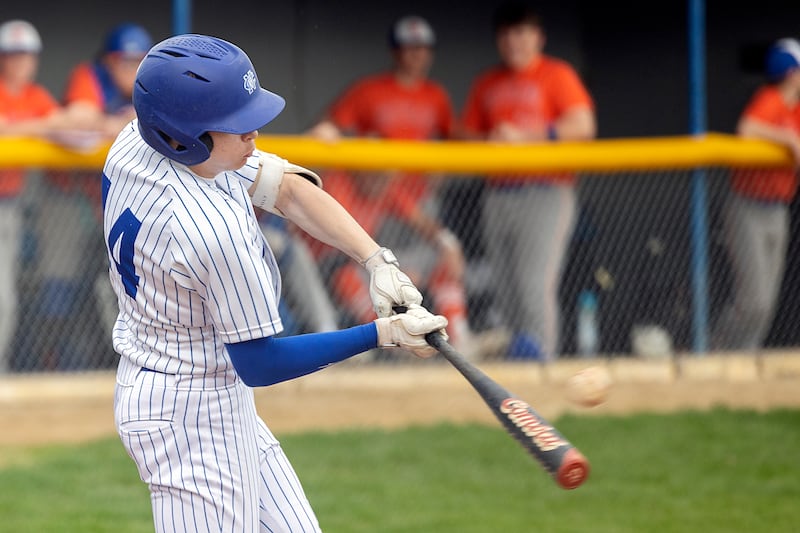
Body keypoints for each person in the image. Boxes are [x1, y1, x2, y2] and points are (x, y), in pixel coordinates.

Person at [103, 34, 447, 532]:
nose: (254, 136)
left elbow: (286, 189)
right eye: (236, 126)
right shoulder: (207, 232)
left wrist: (377, 260)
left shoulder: (139, 139)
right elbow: (260, 363)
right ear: (183, 134)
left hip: (198, 387)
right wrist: (382, 334)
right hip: (187, 421)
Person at [308, 15, 508, 359]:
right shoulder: (342, 181)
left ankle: (461, 342)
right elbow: (329, 128)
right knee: (350, 277)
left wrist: (445, 242)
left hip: (408, 215)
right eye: (408, 49)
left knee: (442, 258)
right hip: (336, 261)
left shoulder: (390, 187)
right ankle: (389, 344)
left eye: (422, 49)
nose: (415, 56)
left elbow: (452, 140)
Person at [458, 2, 596, 360]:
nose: (513, 42)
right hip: (498, 194)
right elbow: (466, 136)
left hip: (546, 192)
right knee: (506, 291)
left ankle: (543, 366)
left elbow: (582, 126)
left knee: (535, 287)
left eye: (521, 32)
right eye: (506, 34)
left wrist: (527, 135)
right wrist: (493, 140)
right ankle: (521, 366)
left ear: (538, 37)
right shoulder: (487, 82)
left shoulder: (556, 74)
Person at [711, 38, 800, 351]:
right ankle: (715, 354)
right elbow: (747, 128)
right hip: (747, 206)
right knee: (753, 300)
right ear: (791, 72)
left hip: (778, 208)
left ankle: (745, 361)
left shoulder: (796, 108)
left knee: (767, 304)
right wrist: (785, 138)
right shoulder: (770, 98)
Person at [0, 19, 68, 371]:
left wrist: (22, 128)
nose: (19, 62)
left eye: (25, 54)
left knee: (5, 298)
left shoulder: (34, 96)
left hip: (10, 207)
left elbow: (66, 123)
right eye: (12, 54)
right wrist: (39, 128)